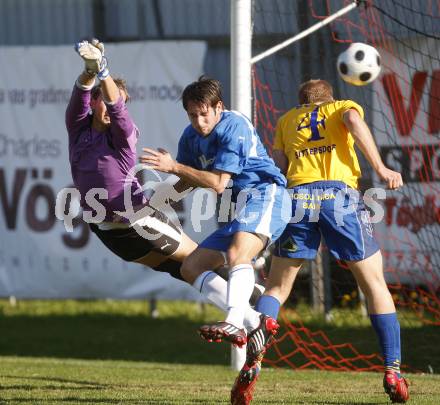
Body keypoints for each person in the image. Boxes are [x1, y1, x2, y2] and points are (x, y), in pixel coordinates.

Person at [66, 40, 264, 332]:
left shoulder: (123, 134)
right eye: (104, 101)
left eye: (116, 102)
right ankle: (252, 318)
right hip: (106, 229)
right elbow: (81, 91)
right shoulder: (77, 128)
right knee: (180, 270)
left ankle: (254, 307)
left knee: (195, 261)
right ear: (94, 102)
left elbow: (116, 107)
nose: (111, 107)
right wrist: (89, 70)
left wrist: (103, 71)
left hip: (137, 217)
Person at [231, 79, 409, 404]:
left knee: (277, 288)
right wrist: (381, 168)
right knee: (373, 285)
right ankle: (392, 370)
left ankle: (254, 361)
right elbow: (354, 121)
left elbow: (280, 168)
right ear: (329, 98)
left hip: (297, 198)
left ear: (301, 103)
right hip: (337, 196)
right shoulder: (342, 107)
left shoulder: (286, 121)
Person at [139, 76, 290, 347]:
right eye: (192, 115)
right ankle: (253, 321)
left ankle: (233, 321)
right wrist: (151, 206)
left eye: (204, 114)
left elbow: (217, 183)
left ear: (218, 107)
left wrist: (173, 167)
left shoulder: (234, 126)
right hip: (241, 207)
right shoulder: (190, 136)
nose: (199, 122)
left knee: (237, 254)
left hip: (267, 196)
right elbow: (188, 180)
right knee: (191, 266)